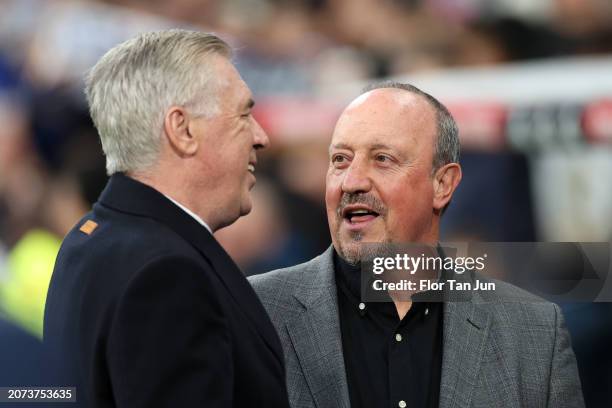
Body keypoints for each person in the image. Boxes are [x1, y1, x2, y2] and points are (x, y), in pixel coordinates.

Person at [249, 82, 584, 408]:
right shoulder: (253, 311)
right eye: (340, 160)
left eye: (382, 159)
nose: (351, 181)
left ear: (442, 184)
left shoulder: (535, 332)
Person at [44, 30, 290, 408]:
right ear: (183, 129)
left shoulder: (89, 236)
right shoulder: (167, 274)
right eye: (243, 114)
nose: (261, 137)